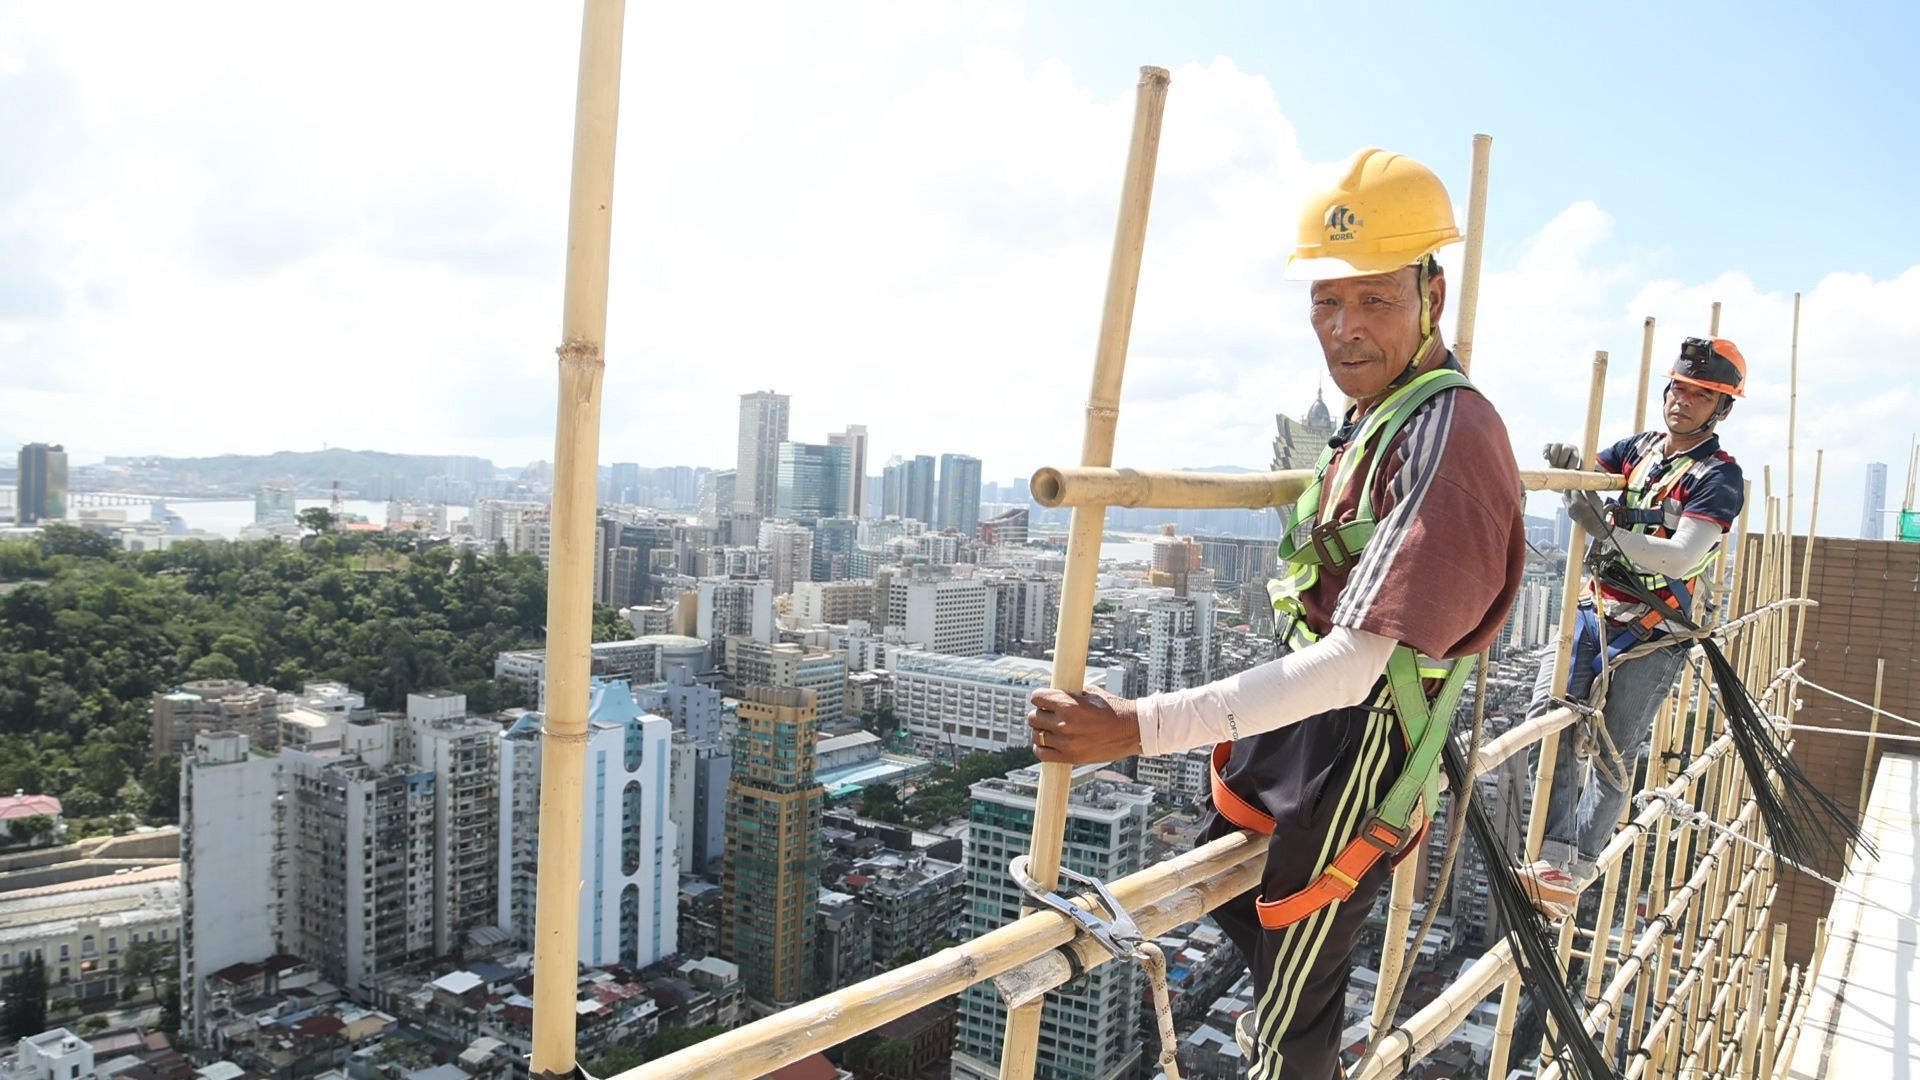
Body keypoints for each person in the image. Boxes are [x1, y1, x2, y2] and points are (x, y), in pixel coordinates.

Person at [1025, 147, 1525, 1080]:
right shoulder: (1384, 412)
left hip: (1359, 739)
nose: (1344, 329)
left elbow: (1352, 664)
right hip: (1314, 733)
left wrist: (1136, 726)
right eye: (1325, 302)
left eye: (1374, 299)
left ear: (1433, 292)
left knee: (1293, 1016)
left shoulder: (1451, 436)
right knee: (1233, 891)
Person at [1517, 336, 1748, 915]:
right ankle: (1551, 855)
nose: (1683, 401)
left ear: (1721, 408)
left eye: (1702, 394)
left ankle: (1577, 866)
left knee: (1614, 753)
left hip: (1652, 632)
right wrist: (1568, 472)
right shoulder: (1637, 450)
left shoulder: (1717, 476)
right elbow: (1585, 490)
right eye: (1679, 388)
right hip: (1594, 610)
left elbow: (1683, 556)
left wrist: (1611, 532)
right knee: (1549, 724)